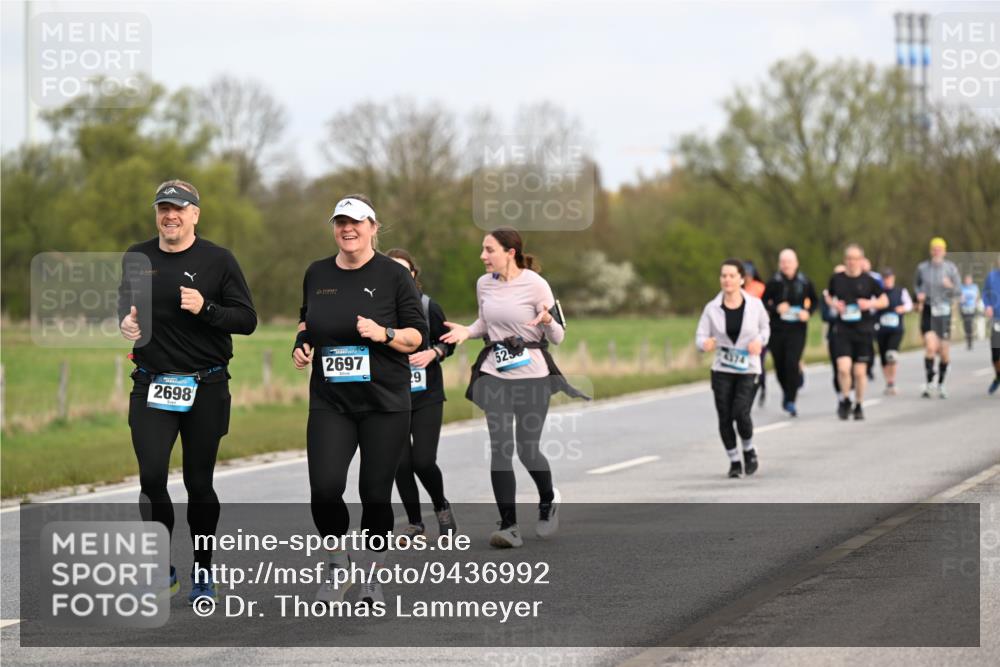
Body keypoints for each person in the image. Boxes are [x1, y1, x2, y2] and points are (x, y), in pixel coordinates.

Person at [118, 179, 257, 604]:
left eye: (179, 208)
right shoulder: (137, 256)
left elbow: (247, 319)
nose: (170, 215)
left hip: (206, 385)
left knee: (199, 483)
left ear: (195, 213)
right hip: (152, 384)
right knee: (151, 476)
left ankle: (202, 570)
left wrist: (207, 309)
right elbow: (125, 305)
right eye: (163, 207)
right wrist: (125, 323)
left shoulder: (219, 260)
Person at [293, 194, 427, 606]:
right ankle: (338, 564)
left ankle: (372, 572)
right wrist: (301, 342)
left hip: (384, 402)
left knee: (374, 492)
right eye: (339, 222)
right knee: (325, 489)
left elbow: (416, 335)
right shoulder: (316, 273)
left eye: (355, 222)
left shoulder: (393, 275)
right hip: (331, 399)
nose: (347, 229)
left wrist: (384, 333)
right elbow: (308, 317)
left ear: (373, 226)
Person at [440, 228, 587, 548]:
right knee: (501, 446)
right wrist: (467, 331)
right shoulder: (484, 284)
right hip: (495, 372)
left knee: (527, 448)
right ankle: (509, 525)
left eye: (489, 250)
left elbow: (559, 336)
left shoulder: (536, 284)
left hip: (533, 374)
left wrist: (548, 320)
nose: (482, 256)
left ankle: (548, 499)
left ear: (510, 252)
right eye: (482, 249)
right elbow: (485, 324)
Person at [385, 248, 458, 540]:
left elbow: (448, 343)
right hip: (391, 395)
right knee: (400, 463)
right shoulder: (379, 309)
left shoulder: (428, 307)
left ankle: (442, 508)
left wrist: (434, 352)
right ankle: (415, 522)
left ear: (414, 275)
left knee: (423, 461)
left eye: (406, 271)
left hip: (427, 395)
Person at [696, 259, 770, 478]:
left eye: (731, 275)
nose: (726, 280)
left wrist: (760, 341)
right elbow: (700, 336)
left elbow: (765, 327)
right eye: (723, 276)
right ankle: (734, 461)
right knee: (725, 416)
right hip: (722, 369)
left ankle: (748, 449)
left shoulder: (755, 305)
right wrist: (705, 344)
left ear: (741, 279)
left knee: (741, 412)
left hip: (748, 368)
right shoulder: (712, 308)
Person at [826, 244, 888, 421]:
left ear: (861, 261)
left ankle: (859, 404)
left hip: (863, 331)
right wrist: (834, 304)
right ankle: (846, 399)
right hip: (843, 330)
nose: (852, 262)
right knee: (843, 369)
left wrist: (870, 304)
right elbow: (828, 296)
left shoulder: (870, 281)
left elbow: (884, 300)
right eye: (849, 259)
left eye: (855, 259)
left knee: (860, 373)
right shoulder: (837, 279)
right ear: (845, 261)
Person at [762, 249, 817, 417]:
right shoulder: (774, 282)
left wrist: (808, 312)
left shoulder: (805, 281)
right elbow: (763, 302)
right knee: (779, 365)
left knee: (792, 362)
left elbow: (815, 301)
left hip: (797, 329)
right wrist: (776, 308)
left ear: (796, 263)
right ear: (780, 264)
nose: (786, 265)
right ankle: (788, 390)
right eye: (783, 262)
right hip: (777, 329)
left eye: (789, 262)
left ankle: (791, 400)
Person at [914, 237, 961, 399]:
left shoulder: (951, 269)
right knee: (930, 347)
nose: (937, 252)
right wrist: (918, 295)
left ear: (945, 251)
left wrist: (951, 286)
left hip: (944, 311)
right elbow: (916, 286)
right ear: (930, 250)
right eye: (934, 249)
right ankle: (929, 383)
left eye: (940, 249)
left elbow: (959, 291)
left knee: (944, 352)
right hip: (928, 309)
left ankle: (941, 384)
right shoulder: (922, 268)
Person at [874, 268, 913, 395]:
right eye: (885, 278)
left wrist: (903, 308)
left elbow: (909, 305)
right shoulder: (878, 292)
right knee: (884, 357)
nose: (887, 280)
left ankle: (892, 381)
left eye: (889, 278)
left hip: (896, 328)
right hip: (881, 328)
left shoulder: (901, 291)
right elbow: (872, 307)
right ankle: (888, 382)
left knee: (891, 354)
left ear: (893, 278)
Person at [742, 260, 768, 406]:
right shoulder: (737, 289)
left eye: (749, 275)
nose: (747, 278)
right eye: (745, 275)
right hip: (743, 333)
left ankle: (761, 386)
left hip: (758, 332)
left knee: (759, 362)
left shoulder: (760, 288)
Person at [821, 264, 847, 398]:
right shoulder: (827, 295)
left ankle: (850, 391)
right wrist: (837, 312)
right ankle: (840, 394)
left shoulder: (853, 293)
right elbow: (824, 315)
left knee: (850, 366)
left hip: (853, 334)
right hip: (834, 334)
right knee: (837, 366)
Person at [982, 255, 1000, 395]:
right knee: (995, 355)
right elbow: (985, 294)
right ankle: (998, 376)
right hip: (996, 320)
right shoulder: (991, 277)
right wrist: (987, 306)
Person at [960, 275, 980, 351]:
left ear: (971, 281)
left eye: (969, 280)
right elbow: (959, 296)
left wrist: (976, 302)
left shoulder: (975, 287)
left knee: (969, 324)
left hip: (972, 308)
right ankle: (968, 340)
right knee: (966, 325)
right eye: (966, 280)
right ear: (965, 280)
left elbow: (977, 296)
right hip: (964, 308)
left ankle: (970, 341)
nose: (968, 281)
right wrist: (961, 299)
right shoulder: (962, 287)